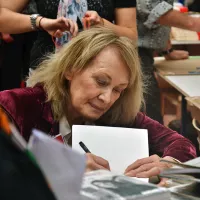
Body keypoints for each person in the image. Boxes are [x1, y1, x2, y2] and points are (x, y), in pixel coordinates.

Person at [0, 27, 196, 185]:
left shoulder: (118, 112)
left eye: (119, 89)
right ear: (70, 68)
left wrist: (170, 164)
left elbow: (181, 144)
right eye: (101, 81)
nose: (107, 98)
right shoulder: (16, 106)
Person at [0, 0, 137, 69]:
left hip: (97, 71)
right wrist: (41, 22)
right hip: (46, 68)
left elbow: (131, 36)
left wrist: (102, 24)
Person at [137, 0, 200, 123]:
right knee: (149, 121)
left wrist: (166, 50)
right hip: (133, 51)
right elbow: (149, 6)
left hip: (143, 51)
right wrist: (194, 23)